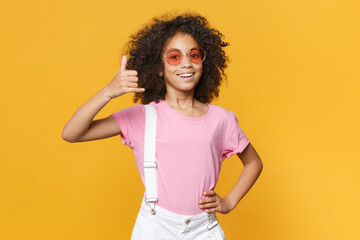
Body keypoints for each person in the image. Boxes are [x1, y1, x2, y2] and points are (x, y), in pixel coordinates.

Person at [62, 13, 263, 240]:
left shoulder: (221, 119)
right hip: (155, 227)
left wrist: (229, 201)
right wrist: (108, 91)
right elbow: (71, 133)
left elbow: (253, 162)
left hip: (203, 230)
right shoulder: (142, 117)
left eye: (194, 55)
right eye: (174, 57)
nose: (186, 63)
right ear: (159, 68)